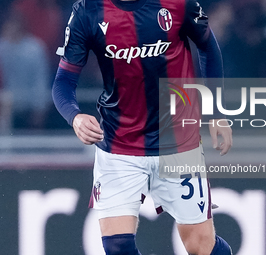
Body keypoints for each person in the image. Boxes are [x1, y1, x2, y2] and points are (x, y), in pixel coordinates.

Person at [52, 0, 233, 254]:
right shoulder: (88, 10)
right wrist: (75, 117)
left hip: (178, 142)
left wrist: (215, 112)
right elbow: (64, 81)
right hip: (118, 144)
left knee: (201, 246)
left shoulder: (178, 4)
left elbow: (208, 48)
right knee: (117, 246)